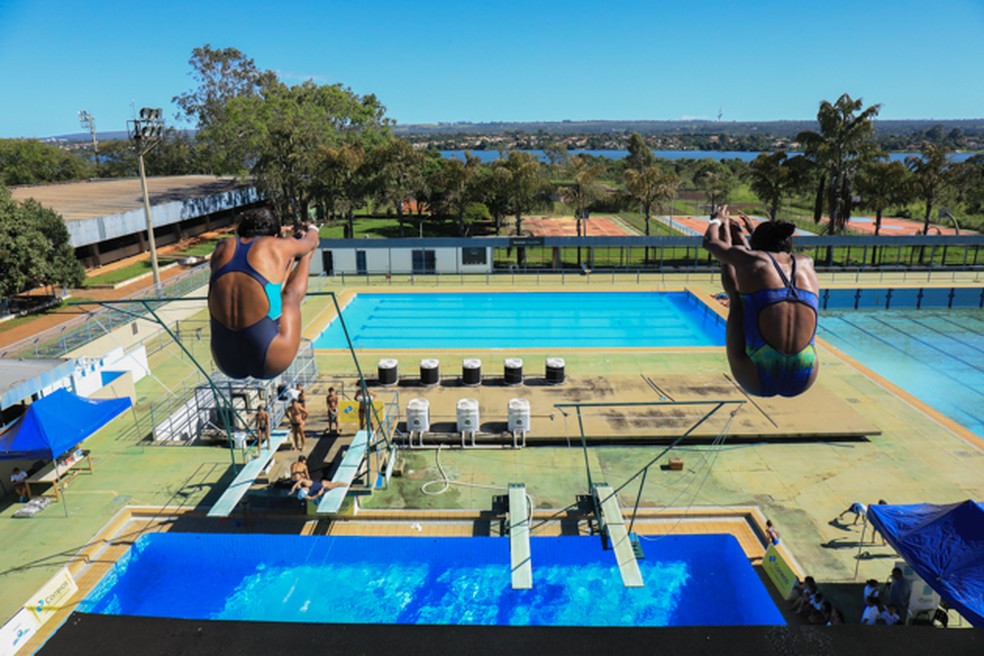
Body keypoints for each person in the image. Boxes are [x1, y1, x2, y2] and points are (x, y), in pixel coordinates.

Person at [702, 206, 820, 398]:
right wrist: (753, 233)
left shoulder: (752, 261)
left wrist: (717, 220)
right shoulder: (807, 262)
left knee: (736, 298)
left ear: (756, 244)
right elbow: (771, 255)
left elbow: (709, 242)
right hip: (805, 375)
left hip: (756, 377)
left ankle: (727, 232)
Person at [207, 207, 320, 380]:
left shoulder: (221, 248)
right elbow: (310, 242)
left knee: (268, 290)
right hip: (270, 358)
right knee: (290, 298)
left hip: (224, 359)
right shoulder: (278, 245)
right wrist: (313, 229)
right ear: (274, 235)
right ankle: (307, 258)